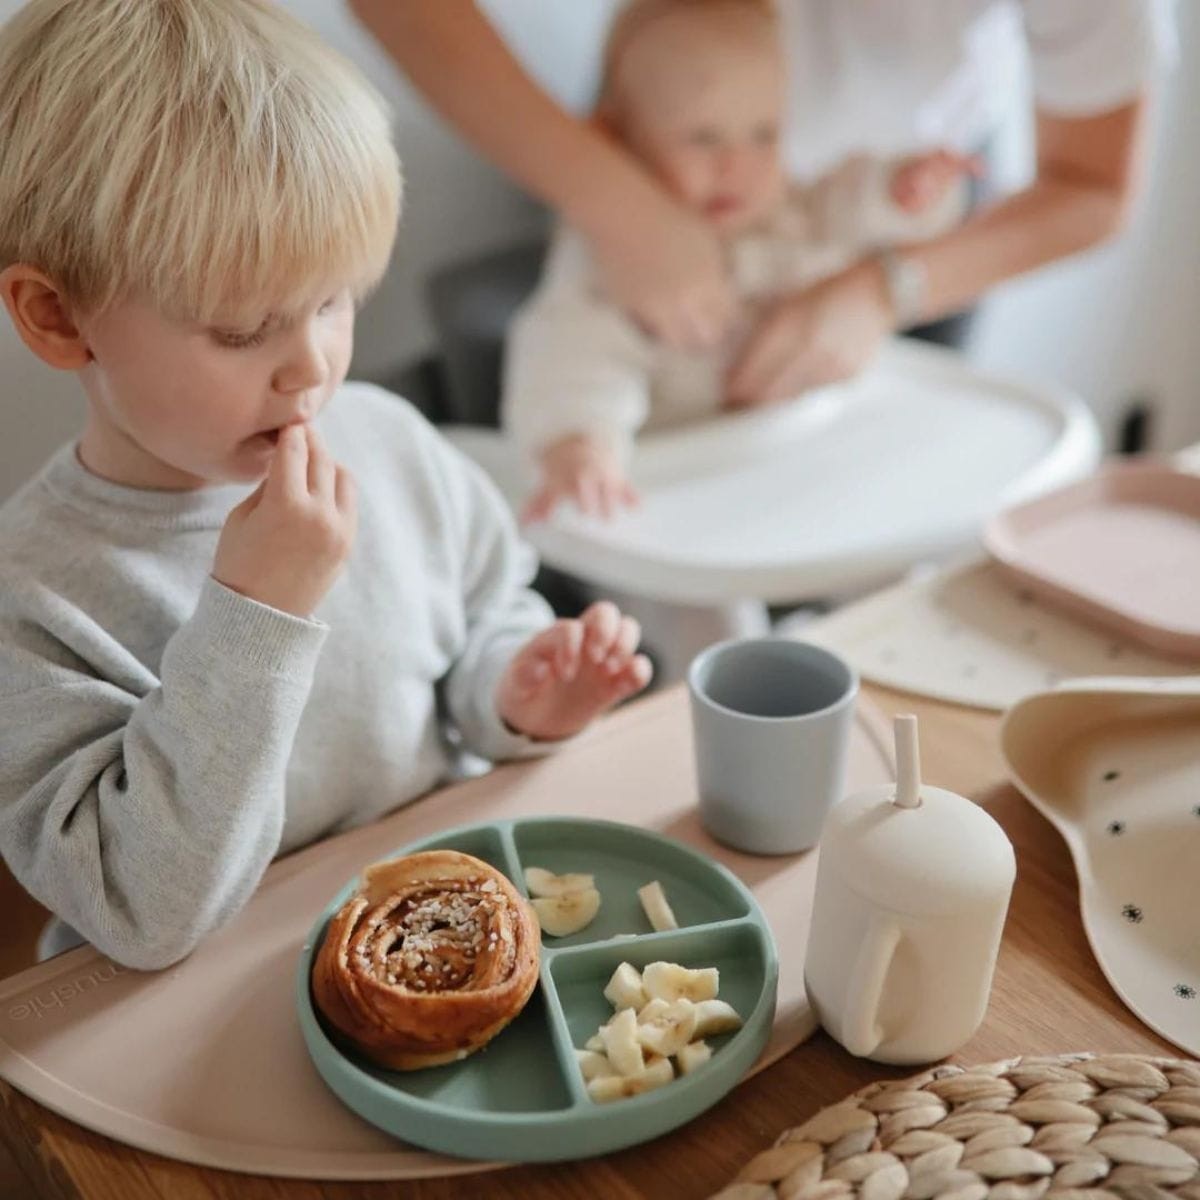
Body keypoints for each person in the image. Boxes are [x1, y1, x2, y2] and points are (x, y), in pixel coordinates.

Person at [0, 0, 651, 971]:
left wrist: (519, 695)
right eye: (243, 330)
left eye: (334, 301)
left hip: (430, 935)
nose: (312, 367)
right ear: (58, 317)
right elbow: (142, 910)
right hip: (194, 1001)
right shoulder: (33, 597)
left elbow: (482, 621)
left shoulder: (389, 443)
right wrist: (257, 612)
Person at [349, 0, 1172, 396]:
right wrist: (614, 200)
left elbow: (1092, 188)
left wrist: (887, 282)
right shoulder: (606, 251)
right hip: (655, 181)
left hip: (892, 201)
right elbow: (571, 368)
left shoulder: (871, 186)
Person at [502, 0, 976, 520]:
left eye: (763, 135)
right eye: (703, 138)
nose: (736, 164)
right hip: (684, 483)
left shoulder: (797, 209)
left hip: (806, 459)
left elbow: (855, 205)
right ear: (618, 140)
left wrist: (903, 193)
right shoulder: (614, 259)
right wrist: (580, 440)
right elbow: (572, 351)